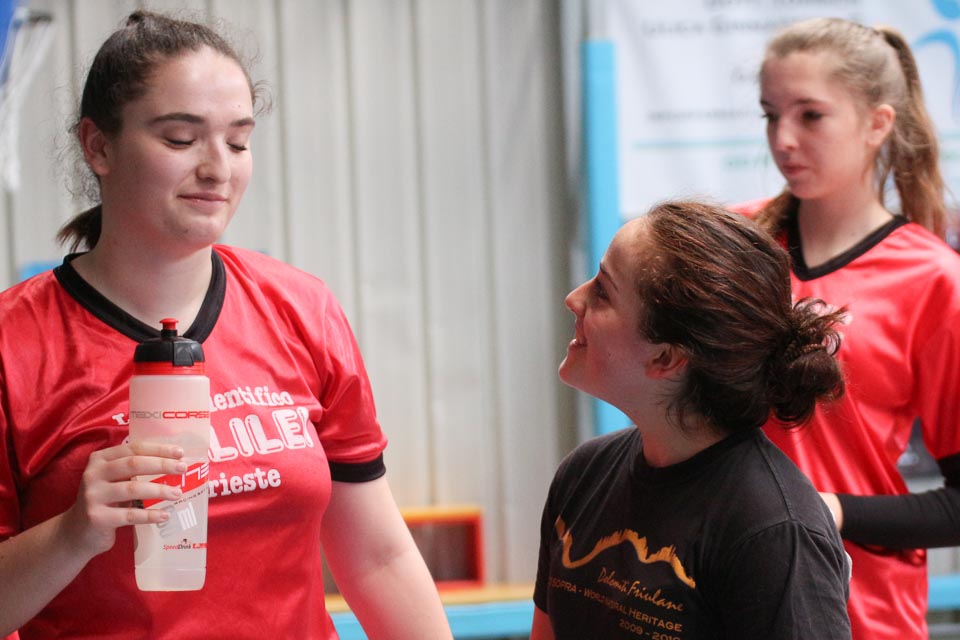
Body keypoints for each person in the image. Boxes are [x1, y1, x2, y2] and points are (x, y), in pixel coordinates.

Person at [0, 11, 452, 639]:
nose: (218, 168)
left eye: (238, 142)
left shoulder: (300, 308)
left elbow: (378, 556)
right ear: (98, 146)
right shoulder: (15, 343)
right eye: (180, 139)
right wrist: (73, 534)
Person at [530, 200, 852, 640]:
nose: (574, 299)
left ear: (666, 358)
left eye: (602, 291)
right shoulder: (583, 475)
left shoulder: (774, 533)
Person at [736, 16, 960, 639]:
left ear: (877, 124)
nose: (783, 139)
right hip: (726, 588)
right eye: (770, 115)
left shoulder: (934, 279)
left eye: (810, 116)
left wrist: (830, 510)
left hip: (861, 609)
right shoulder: (735, 244)